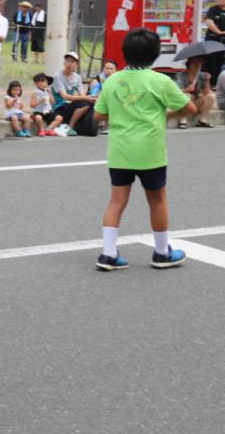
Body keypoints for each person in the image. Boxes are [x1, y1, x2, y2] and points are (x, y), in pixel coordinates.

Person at [93, 27, 196, 271]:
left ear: (125, 52)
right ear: (155, 54)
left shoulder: (113, 79)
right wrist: (165, 115)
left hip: (120, 151)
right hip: (150, 152)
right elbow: (190, 109)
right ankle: (162, 252)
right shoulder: (160, 81)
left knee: (116, 201)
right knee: (157, 200)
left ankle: (108, 254)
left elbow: (98, 115)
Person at [46, 51, 92, 136]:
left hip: (68, 106)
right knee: (84, 103)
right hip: (59, 107)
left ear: (76, 65)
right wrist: (86, 98)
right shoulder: (58, 77)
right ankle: (70, 127)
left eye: (72, 61)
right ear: (64, 63)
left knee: (87, 103)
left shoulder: (77, 77)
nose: (69, 64)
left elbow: (82, 94)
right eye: (67, 61)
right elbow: (65, 96)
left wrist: (90, 98)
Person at [175, 55, 215, 128]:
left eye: (199, 63)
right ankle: (182, 120)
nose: (197, 65)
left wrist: (207, 80)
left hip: (196, 103)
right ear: (189, 64)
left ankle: (201, 119)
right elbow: (177, 91)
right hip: (184, 104)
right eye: (195, 63)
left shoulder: (202, 75)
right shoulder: (181, 75)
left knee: (211, 96)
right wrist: (186, 90)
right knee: (187, 95)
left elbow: (206, 93)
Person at [202, 0, 225, 84]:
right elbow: (209, 22)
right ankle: (212, 83)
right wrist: (218, 32)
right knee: (212, 62)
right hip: (213, 40)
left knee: (222, 62)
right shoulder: (213, 9)